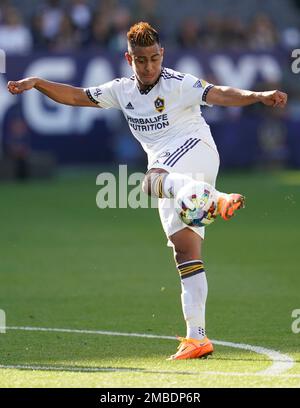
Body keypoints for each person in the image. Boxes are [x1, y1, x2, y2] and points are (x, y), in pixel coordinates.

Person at [7, 21, 288, 360]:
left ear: (162, 54)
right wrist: (37, 82)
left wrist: (257, 95)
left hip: (195, 150)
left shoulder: (178, 84)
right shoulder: (121, 91)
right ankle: (197, 338)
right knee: (184, 251)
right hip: (177, 179)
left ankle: (216, 200)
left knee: (148, 181)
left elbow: (219, 93)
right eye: (142, 60)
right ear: (129, 59)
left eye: (154, 58)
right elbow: (77, 96)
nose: (150, 66)